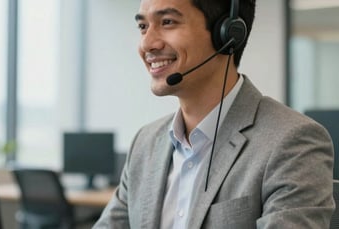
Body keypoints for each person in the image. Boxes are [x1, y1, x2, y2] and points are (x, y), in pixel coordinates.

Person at [93, 0, 335, 228]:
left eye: (167, 22)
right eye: (143, 26)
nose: (147, 44)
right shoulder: (144, 144)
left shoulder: (293, 142)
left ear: (228, 34)